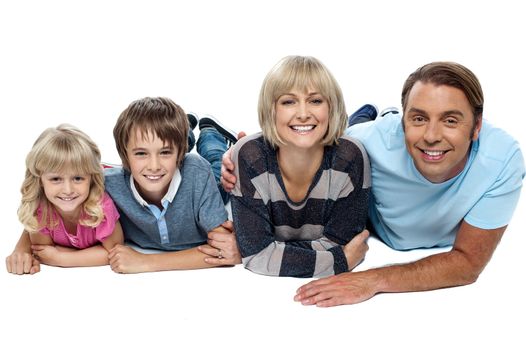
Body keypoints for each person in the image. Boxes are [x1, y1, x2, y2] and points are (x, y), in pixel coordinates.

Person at [222, 61, 525, 305]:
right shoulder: (367, 145)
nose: (432, 135)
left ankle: (371, 112)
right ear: (403, 121)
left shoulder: (502, 161)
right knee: (354, 130)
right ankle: (370, 114)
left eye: (450, 120)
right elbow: (303, 140)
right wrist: (237, 154)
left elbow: (468, 263)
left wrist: (374, 279)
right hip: (365, 145)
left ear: (477, 126)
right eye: (418, 119)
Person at [7, 97, 241, 274]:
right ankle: (184, 129)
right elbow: (51, 197)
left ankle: (210, 135)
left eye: (166, 152)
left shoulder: (195, 173)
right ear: (124, 157)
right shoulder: (105, 183)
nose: (153, 165)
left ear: (178, 154)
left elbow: (221, 252)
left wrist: (145, 261)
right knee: (161, 149)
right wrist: (21, 247)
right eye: (140, 153)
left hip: (203, 184)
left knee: (215, 169)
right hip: (161, 165)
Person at [230, 56, 370, 278]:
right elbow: (257, 255)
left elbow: (341, 242)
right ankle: (209, 135)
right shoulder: (249, 156)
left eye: (315, 101)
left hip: (351, 136)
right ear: (271, 109)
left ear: (331, 107)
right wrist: (339, 261)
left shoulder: (350, 157)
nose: (303, 113)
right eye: (288, 101)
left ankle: (366, 113)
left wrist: (272, 251)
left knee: (359, 127)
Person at [7, 124, 124, 273]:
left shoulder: (101, 206)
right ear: (40, 181)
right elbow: (43, 252)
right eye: (56, 179)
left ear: (91, 179)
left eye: (78, 178)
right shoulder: (40, 211)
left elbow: (116, 252)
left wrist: (62, 259)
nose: (68, 190)